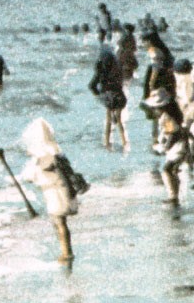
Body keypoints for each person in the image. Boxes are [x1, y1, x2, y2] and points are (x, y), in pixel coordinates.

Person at [17, 116, 84, 265]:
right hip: (64, 189)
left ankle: (67, 253)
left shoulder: (41, 156)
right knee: (61, 222)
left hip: (55, 192)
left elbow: (29, 176)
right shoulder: (56, 152)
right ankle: (66, 251)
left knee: (59, 222)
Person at [89, 39, 129, 153]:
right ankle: (124, 142)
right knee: (119, 120)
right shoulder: (117, 69)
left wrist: (99, 96)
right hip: (120, 96)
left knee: (108, 120)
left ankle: (107, 143)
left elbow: (91, 86)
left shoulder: (101, 72)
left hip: (108, 97)